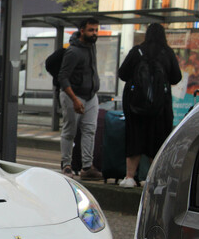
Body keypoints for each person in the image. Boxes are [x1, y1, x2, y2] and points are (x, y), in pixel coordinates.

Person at [117, 23, 182, 188]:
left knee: (135, 138)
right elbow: (176, 77)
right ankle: (155, 179)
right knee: (158, 140)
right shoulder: (167, 53)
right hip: (160, 107)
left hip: (135, 106)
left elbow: (123, 73)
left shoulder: (137, 51)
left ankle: (130, 177)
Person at [57, 17, 103, 181]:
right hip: (73, 95)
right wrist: (74, 99)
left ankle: (87, 167)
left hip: (90, 96)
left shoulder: (92, 47)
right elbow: (63, 77)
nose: (94, 33)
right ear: (82, 30)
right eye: (91, 30)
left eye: (96, 30)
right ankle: (66, 164)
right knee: (70, 130)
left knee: (89, 130)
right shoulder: (73, 51)